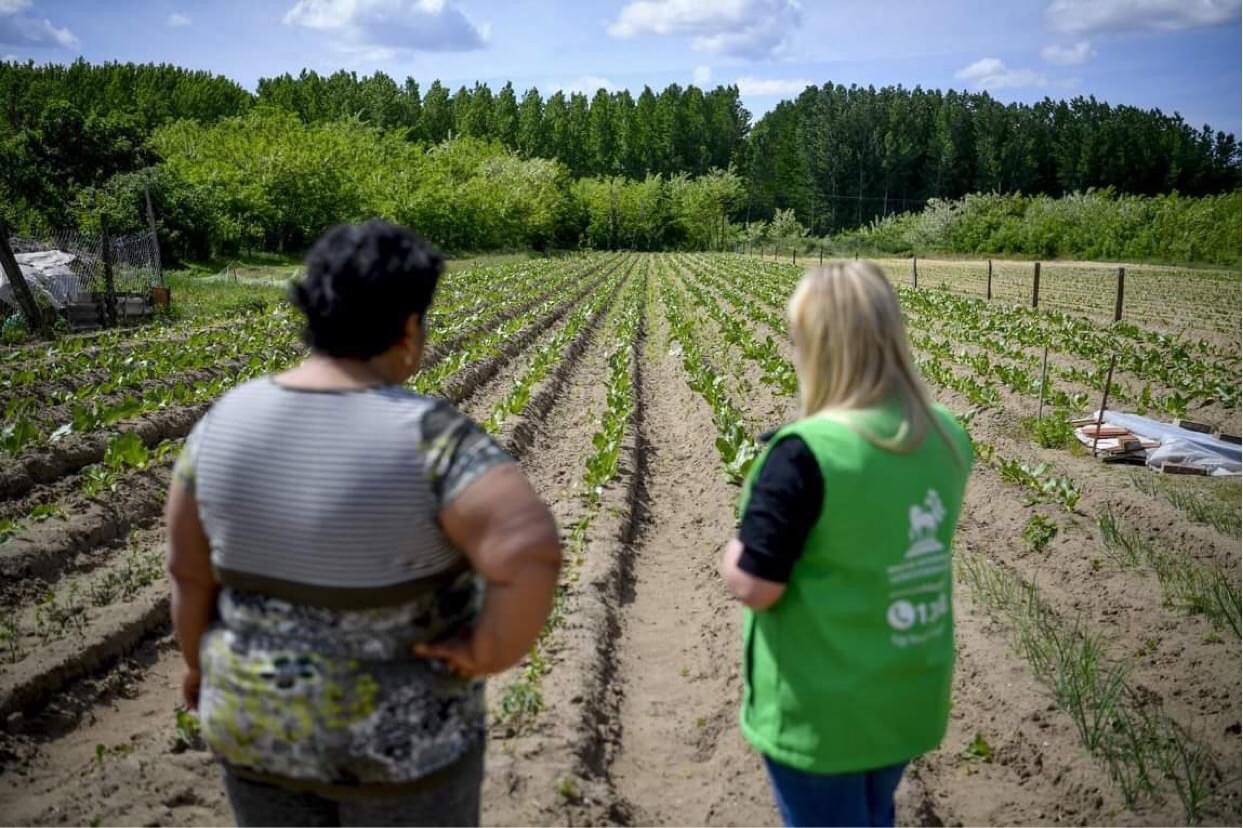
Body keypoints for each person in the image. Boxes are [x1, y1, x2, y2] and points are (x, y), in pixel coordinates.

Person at [165, 220, 562, 827]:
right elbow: (529, 549)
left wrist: (199, 664)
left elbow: (189, 575)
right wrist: (489, 648)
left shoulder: (224, 422)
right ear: (408, 327)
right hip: (399, 745)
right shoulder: (433, 438)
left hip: (255, 730)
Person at [720, 261, 973, 828]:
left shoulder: (804, 454)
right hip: (906, 693)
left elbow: (758, 585)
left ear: (816, 346)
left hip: (823, 711)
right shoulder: (945, 434)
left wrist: (732, 555)